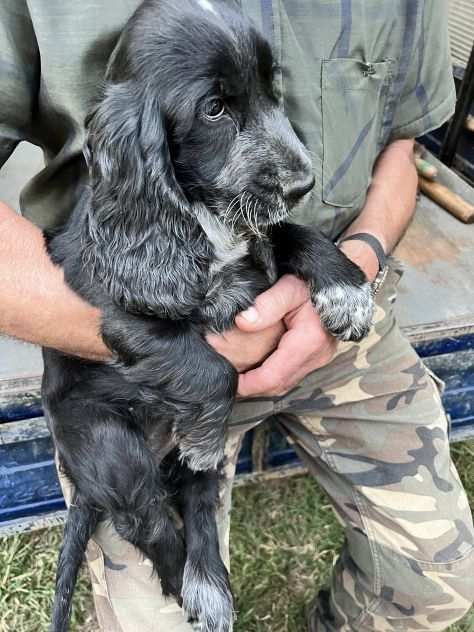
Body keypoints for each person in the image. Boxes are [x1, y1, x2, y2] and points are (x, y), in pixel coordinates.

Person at [1, 1, 473, 630]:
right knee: (168, 617)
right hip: (132, 344)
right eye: (218, 108)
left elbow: (401, 145)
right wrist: (169, 349)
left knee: (441, 582)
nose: (296, 166)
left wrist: (356, 259)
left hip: (337, 304)